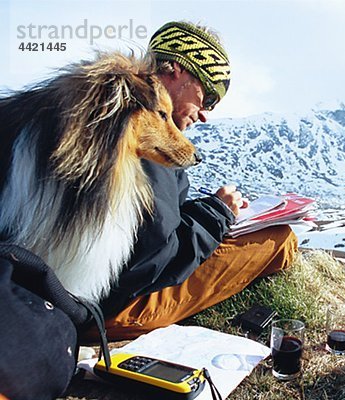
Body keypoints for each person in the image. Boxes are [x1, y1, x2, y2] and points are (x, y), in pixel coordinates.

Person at [98, 21, 298, 340]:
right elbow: (150, 261)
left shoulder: (105, 104)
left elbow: (145, 225)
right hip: (113, 307)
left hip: (74, 294)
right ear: (177, 70)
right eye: (207, 98)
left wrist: (207, 210)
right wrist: (217, 212)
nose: (206, 114)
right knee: (281, 240)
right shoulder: (145, 131)